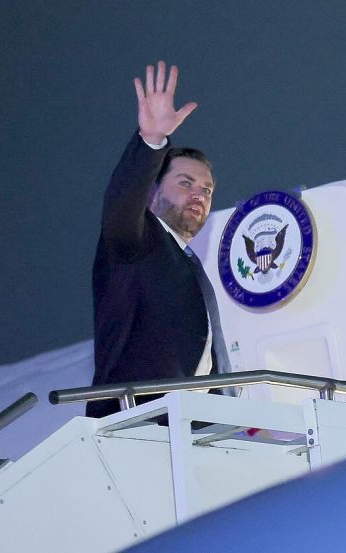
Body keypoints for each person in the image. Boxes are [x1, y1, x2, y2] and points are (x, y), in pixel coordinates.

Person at [86, 60, 228, 418]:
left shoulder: (186, 261)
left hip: (189, 428)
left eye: (207, 190)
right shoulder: (134, 242)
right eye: (185, 183)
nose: (199, 195)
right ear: (151, 194)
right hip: (137, 426)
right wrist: (151, 142)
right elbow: (121, 200)